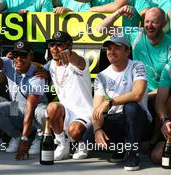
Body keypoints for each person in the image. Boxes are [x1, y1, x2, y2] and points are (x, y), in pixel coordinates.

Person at [92, 35, 152, 171]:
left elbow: (137, 94)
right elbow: (97, 108)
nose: (111, 52)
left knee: (131, 107)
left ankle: (133, 154)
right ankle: (121, 147)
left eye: (117, 48)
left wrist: (111, 102)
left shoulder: (137, 65)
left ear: (127, 51)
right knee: (89, 136)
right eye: (109, 48)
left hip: (139, 120)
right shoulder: (101, 76)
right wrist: (97, 129)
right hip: (117, 120)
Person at [44, 31, 92, 161]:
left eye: (59, 45)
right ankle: (62, 145)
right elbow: (41, 68)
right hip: (65, 113)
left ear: (69, 46)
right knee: (52, 107)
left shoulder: (81, 62)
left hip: (84, 113)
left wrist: (70, 55)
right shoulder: (52, 65)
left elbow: (78, 60)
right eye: (52, 44)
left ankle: (82, 143)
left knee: (74, 131)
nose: (54, 48)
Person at [150, 62, 171, 164]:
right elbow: (160, 101)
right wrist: (164, 121)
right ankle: (154, 142)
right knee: (157, 156)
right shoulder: (169, 67)